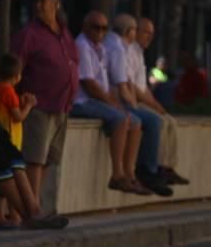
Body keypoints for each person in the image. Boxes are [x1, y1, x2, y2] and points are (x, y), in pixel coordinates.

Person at [11, 0, 80, 210]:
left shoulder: (63, 32)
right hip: (38, 106)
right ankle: (32, 210)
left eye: (44, 1)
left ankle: (32, 206)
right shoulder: (29, 34)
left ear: (55, 3)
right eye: (36, 1)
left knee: (49, 158)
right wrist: (17, 97)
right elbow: (14, 69)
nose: (39, 5)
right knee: (34, 158)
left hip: (61, 106)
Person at [70, 11, 151, 195]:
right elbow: (89, 84)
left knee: (135, 122)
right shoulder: (82, 45)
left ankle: (130, 175)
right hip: (82, 100)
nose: (100, 32)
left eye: (104, 28)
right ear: (85, 27)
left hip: (96, 99)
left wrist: (115, 101)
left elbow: (109, 82)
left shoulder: (101, 48)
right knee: (121, 119)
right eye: (95, 27)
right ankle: (117, 175)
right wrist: (112, 103)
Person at [104, 14, 172, 196]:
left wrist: (154, 104)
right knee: (145, 120)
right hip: (112, 100)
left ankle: (155, 168)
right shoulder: (119, 48)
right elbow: (124, 86)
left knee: (159, 120)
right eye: (142, 31)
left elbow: (138, 86)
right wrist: (135, 104)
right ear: (130, 31)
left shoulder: (124, 48)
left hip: (114, 99)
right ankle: (139, 172)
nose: (149, 37)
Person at [129, 17, 189, 185]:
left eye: (152, 34)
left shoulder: (140, 54)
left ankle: (167, 167)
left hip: (141, 99)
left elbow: (144, 87)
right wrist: (153, 106)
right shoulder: (129, 52)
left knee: (170, 121)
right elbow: (133, 88)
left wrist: (157, 104)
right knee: (159, 121)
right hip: (132, 101)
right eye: (146, 32)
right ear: (135, 32)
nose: (149, 37)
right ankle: (152, 168)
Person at [0, 53, 37, 227]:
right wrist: (29, 105)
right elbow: (18, 117)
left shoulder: (1, 89)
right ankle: (7, 216)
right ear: (17, 76)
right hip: (9, 141)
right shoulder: (8, 91)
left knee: (3, 181)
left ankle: (7, 216)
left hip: (6, 139)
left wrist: (21, 100)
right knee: (8, 181)